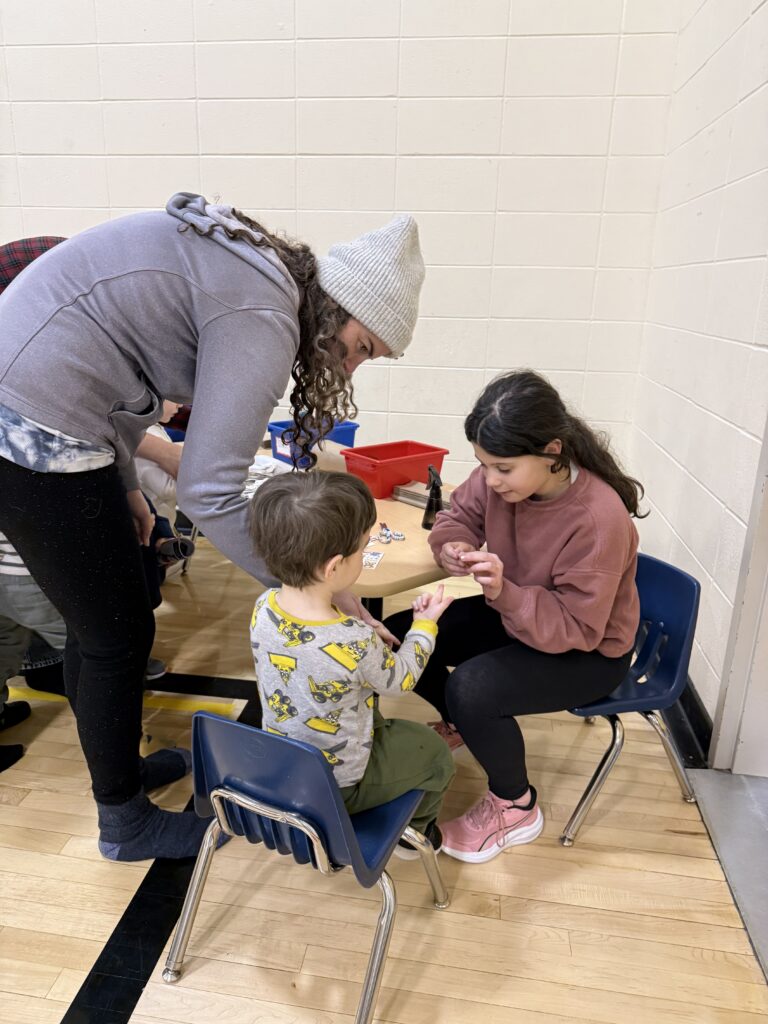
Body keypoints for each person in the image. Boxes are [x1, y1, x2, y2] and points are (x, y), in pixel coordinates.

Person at [0, 197, 425, 861]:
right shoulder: (265, 314)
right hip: (29, 420)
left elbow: (114, 370)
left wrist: (126, 482)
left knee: (104, 625)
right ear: (337, 309)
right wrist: (313, 586)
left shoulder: (259, 277)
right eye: (360, 349)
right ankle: (124, 821)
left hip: (52, 409)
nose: (349, 370)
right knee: (115, 636)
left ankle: (122, 772)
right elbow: (208, 490)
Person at [384, 370, 642, 864]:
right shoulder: (499, 481)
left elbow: (576, 626)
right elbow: (458, 516)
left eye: (502, 468)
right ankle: (464, 724)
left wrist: (505, 592)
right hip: (520, 613)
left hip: (589, 649)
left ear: (552, 452)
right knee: (403, 635)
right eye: (483, 465)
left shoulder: (598, 519)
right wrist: (453, 544)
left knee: (472, 689)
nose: (490, 479)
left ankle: (516, 806)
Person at [249, 471, 455, 854]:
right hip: (338, 784)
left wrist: (360, 622)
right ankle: (414, 835)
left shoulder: (264, 606)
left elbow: (315, 651)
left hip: (284, 765)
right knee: (436, 755)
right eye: (363, 549)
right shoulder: (354, 640)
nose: (365, 553)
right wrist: (424, 627)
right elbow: (400, 680)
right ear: (333, 567)